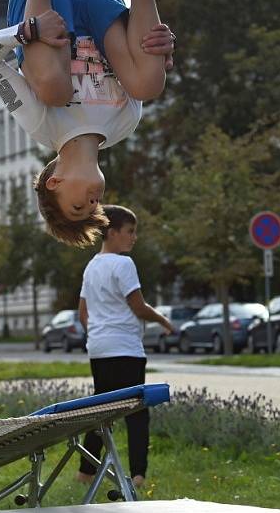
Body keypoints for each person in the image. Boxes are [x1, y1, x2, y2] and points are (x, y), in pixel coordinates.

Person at [0, 0, 182, 247]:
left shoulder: (41, 125)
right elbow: (138, 59)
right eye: (95, 206)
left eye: (79, 205)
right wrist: (160, 53)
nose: (94, 201)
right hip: (97, 0)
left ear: (55, 182)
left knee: (55, 91)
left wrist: (23, 33)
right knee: (148, 85)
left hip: (48, 9)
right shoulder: (125, 124)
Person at [76, 205, 174, 489]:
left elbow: (83, 312)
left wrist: (96, 334)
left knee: (101, 410)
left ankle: (85, 472)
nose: (134, 237)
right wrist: (164, 321)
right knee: (136, 412)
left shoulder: (92, 265)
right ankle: (139, 475)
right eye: (130, 231)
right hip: (126, 350)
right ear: (113, 232)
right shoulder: (123, 264)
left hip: (99, 348)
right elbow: (138, 306)